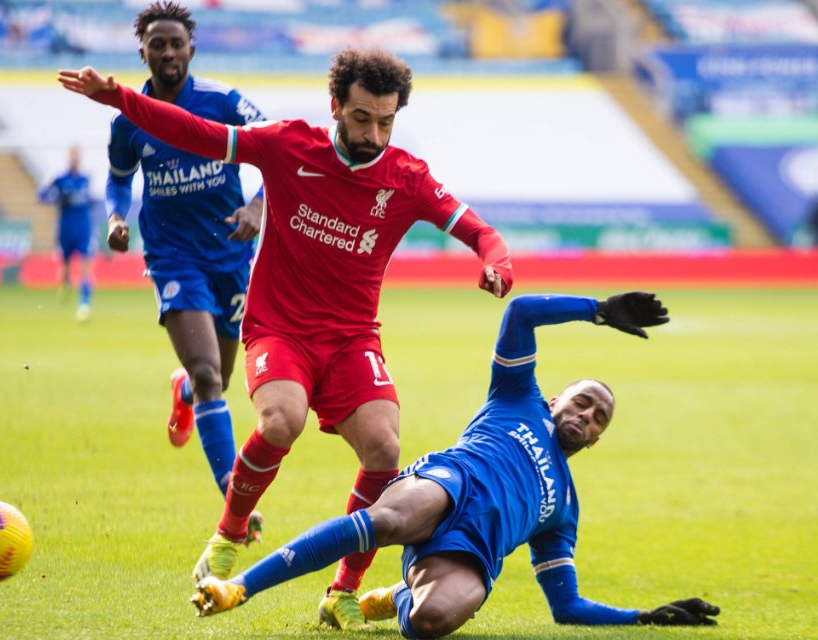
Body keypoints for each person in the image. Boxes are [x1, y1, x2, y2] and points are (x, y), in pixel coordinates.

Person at [58, 46, 514, 629]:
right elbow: (198, 133)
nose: (374, 133)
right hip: (280, 329)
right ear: (335, 107)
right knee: (281, 421)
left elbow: (483, 233)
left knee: (386, 450)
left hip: (353, 341)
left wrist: (497, 263)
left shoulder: (407, 178)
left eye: (386, 121)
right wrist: (120, 97)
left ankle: (342, 589)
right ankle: (227, 534)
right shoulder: (287, 145)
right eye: (361, 118)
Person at [190, 291, 721, 637]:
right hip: (449, 483)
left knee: (431, 620)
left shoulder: (564, 510)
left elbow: (567, 607)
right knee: (389, 520)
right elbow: (519, 313)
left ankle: (395, 597)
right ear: (557, 399)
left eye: (599, 416)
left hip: (471, 554)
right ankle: (239, 588)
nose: (587, 414)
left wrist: (645, 616)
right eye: (581, 401)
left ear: (599, 437)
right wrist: (597, 311)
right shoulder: (518, 396)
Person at [102, 1, 267, 537]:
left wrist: (258, 208)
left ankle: (185, 394)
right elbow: (118, 178)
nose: (168, 52)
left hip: (230, 251)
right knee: (209, 377)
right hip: (172, 255)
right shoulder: (127, 120)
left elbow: (279, 147)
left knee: (217, 374)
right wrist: (115, 217)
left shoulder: (222, 101)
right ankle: (233, 505)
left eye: (176, 43)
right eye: (158, 44)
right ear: (143, 51)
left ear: (191, 49)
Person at [38, 145, 95, 322]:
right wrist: (56, 195)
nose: (74, 160)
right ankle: (65, 285)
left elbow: (93, 201)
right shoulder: (60, 179)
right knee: (65, 265)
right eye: (72, 157)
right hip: (65, 228)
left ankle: (84, 303)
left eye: (76, 156)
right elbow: (42, 195)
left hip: (83, 228)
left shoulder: (86, 179)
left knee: (86, 265)